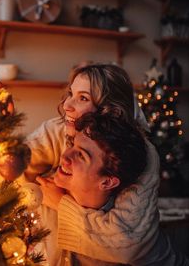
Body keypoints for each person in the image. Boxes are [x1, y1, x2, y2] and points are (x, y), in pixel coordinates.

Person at [25, 63, 160, 263]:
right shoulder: (57, 129)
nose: (66, 106)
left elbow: (126, 243)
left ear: (111, 110)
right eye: (70, 93)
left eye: (83, 98)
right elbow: (7, 166)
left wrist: (59, 203)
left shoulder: (142, 154)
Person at [37, 112, 189, 266]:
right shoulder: (44, 196)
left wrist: (60, 204)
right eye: (72, 145)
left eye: (82, 156)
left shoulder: (125, 236)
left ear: (107, 182)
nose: (65, 156)